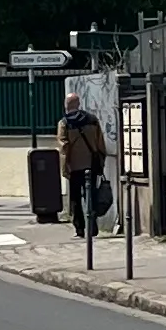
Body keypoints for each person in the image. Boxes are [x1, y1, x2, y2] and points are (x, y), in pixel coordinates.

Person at [56, 99, 111, 244]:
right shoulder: (92, 120)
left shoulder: (64, 123)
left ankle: (79, 228)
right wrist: (101, 161)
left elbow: (64, 147)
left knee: (75, 199)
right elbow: (100, 143)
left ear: (66, 105)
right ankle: (93, 227)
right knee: (91, 195)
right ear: (78, 104)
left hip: (74, 166)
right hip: (91, 165)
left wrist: (65, 167)